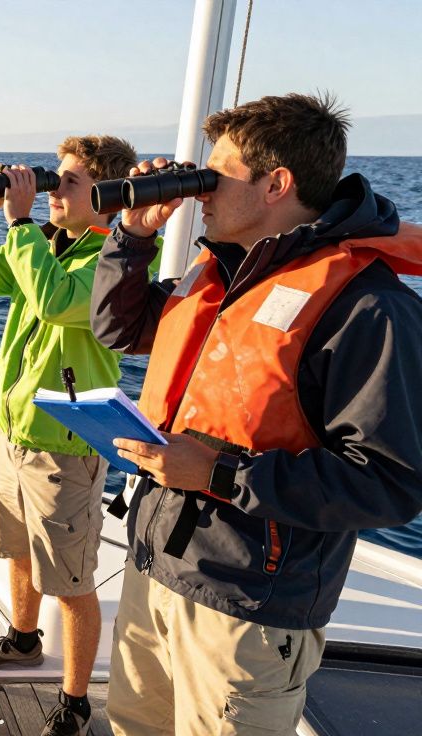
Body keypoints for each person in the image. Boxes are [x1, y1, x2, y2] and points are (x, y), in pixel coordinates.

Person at [90, 92, 422, 735]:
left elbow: (390, 481)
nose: (202, 191)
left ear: (278, 183)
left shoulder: (367, 307)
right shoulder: (222, 274)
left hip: (247, 609)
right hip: (156, 567)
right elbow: (117, 326)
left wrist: (219, 475)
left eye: (217, 175)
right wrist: (132, 234)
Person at [0, 136, 145, 736]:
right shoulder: (50, 246)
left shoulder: (111, 261)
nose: (54, 190)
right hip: (14, 432)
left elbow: (56, 303)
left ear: (105, 197)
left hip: (65, 444)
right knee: (19, 549)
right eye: (55, 178)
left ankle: (76, 702)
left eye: (68, 182)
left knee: (72, 582)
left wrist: (22, 222)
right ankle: (23, 640)